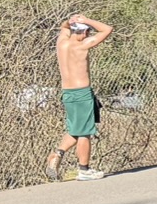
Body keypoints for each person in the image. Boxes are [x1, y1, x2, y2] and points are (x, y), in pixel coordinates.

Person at [46, 14, 114, 181]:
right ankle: (84, 169)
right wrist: (86, 20)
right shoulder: (83, 46)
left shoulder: (61, 44)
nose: (89, 34)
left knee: (75, 129)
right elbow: (107, 29)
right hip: (82, 93)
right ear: (83, 32)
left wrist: (69, 21)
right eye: (88, 31)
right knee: (85, 132)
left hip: (67, 93)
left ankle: (57, 154)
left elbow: (63, 28)